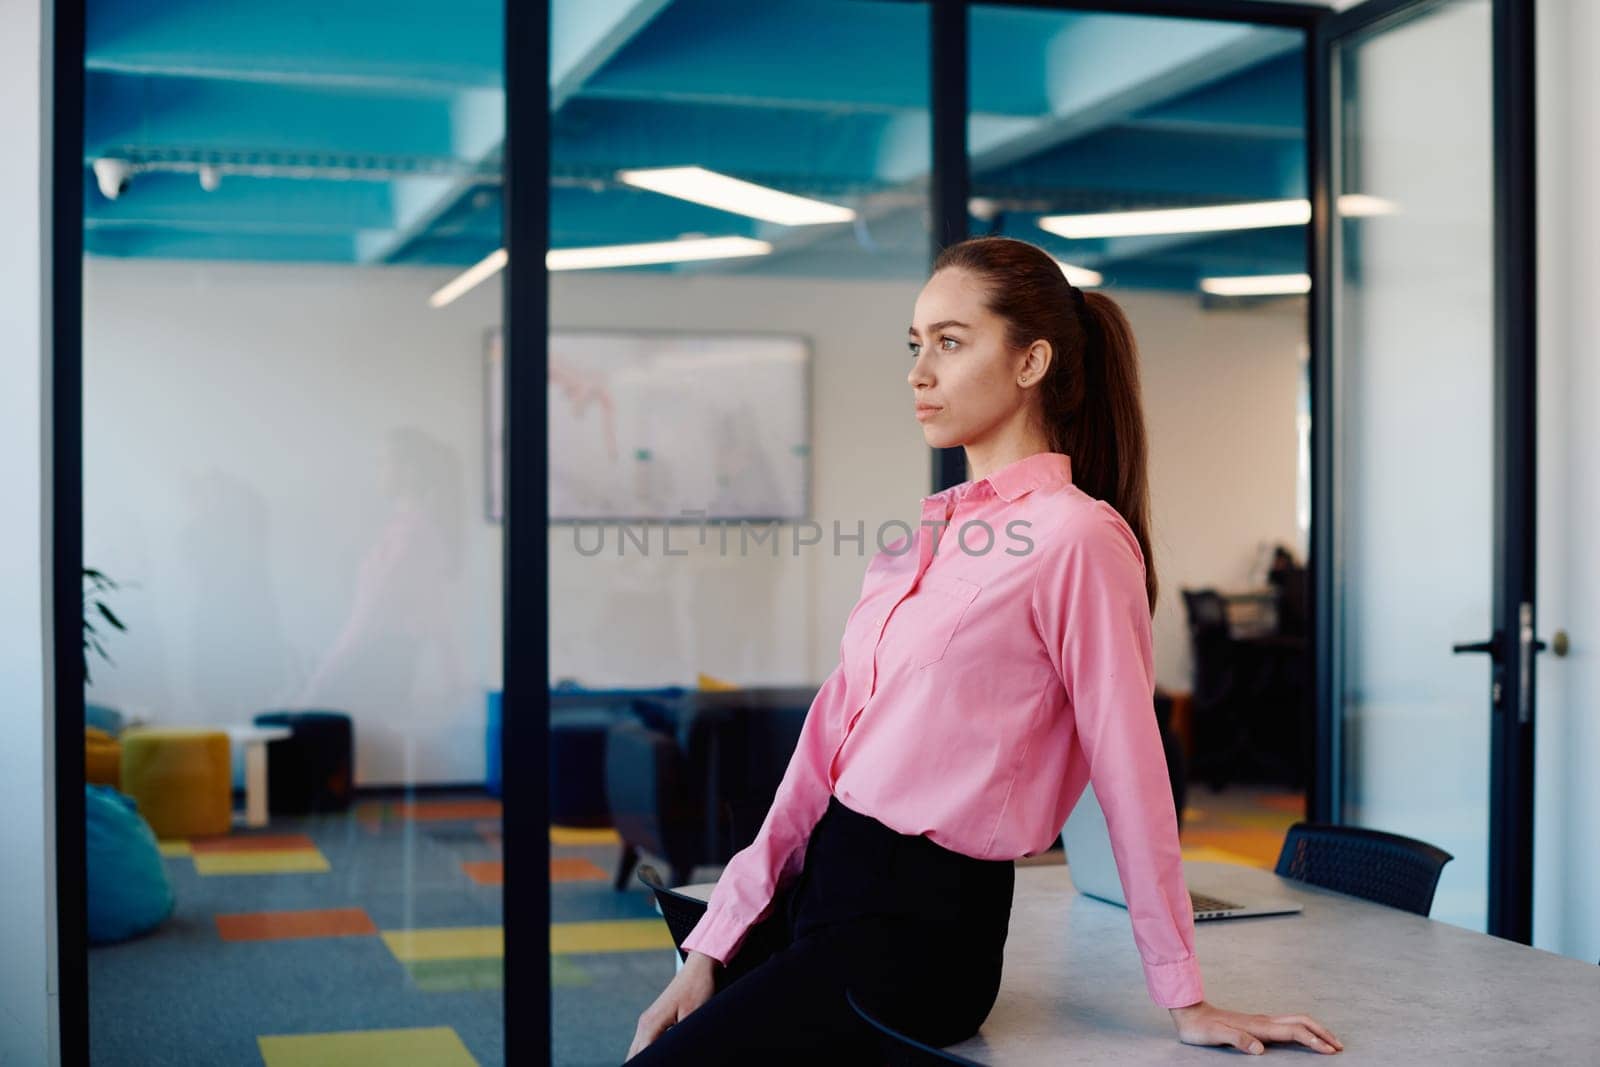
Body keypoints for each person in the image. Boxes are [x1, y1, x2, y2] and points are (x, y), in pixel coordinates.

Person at [626, 236, 1344, 1063]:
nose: (919, 371)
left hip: (920, 937)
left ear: (1032, 359)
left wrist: (1185, 995)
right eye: (915, 343)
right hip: (826, 890)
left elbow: (1131, 770)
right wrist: (715, 942)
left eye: (951, 341)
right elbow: (816, 761)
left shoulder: (1080, 538)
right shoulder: (923, 541)